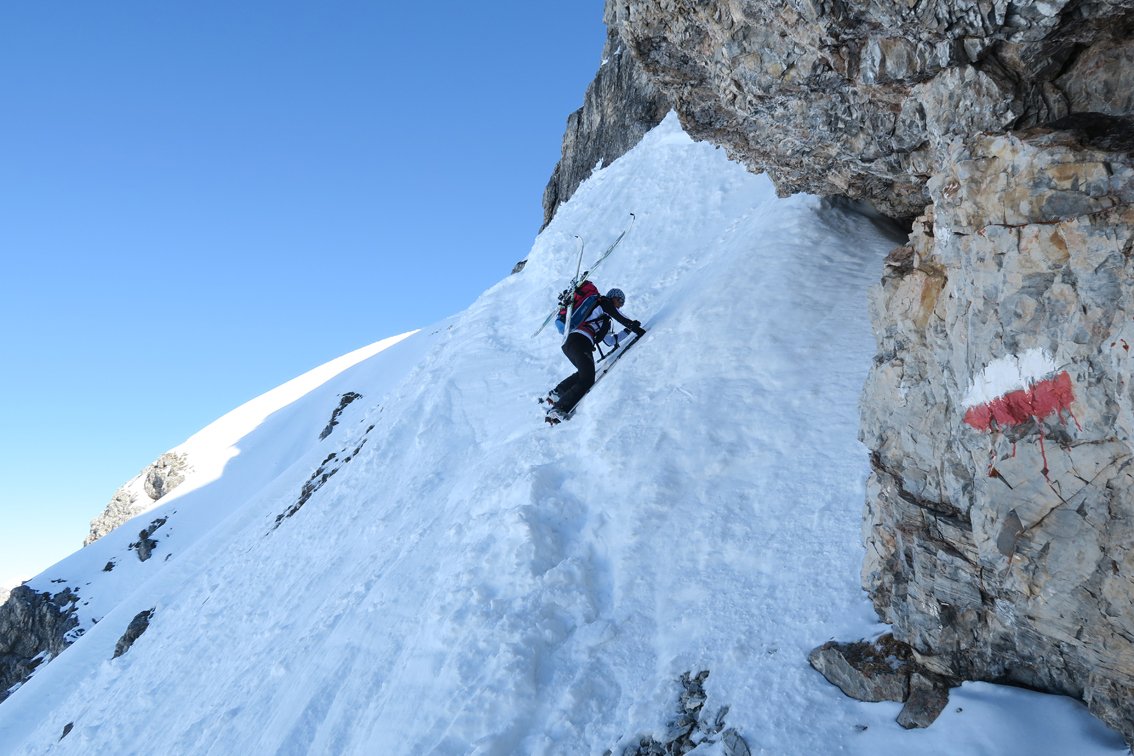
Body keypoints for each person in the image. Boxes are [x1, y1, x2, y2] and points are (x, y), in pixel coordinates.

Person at [546, 287, 645, 423]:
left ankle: (558, 393)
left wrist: (627, 331)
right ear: (614, 297)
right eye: (620, 301)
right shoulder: (603, 303)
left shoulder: (603, 319)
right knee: (587, 378)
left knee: (584, 373)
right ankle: (559, 409)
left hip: (570, 343)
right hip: (579, 341)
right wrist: (635, 328)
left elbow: (610, 341)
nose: (620, 305)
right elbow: (620, 316)